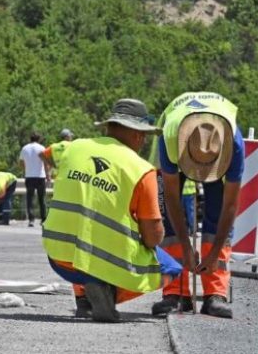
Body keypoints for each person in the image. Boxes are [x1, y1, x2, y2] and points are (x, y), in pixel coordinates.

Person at [42, 98, 181, 322]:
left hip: (58, 256)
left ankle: (85, 299)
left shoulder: (74, 148)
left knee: (82, 244)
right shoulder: (141, 170)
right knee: (171, 269)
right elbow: (153, 237)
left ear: (108, 127)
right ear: (138, 134)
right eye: (144, 136)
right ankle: (109, 293)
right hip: (106, 264)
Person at [150, 92, 244, 319]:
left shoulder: (234, 145)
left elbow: (229, 206)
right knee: (168, 225)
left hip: (217, 150)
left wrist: (212, 255)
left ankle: (215, 294)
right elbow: (171, 199)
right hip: (175, 148)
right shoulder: (170, 138)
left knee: (216, 213)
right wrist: (185, 245)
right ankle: (174, 291)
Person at [20, 132, 49, 227]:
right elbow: (45, 163)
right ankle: (43, 219)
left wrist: (26, 170)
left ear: (30, 139)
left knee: (30, 198)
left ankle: (31, 220)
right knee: (42, 199)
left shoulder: (24, 148)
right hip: (40, 176)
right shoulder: (41, 148)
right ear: (39, 139)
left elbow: (21, 162)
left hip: (29, 176)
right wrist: (48, 175)